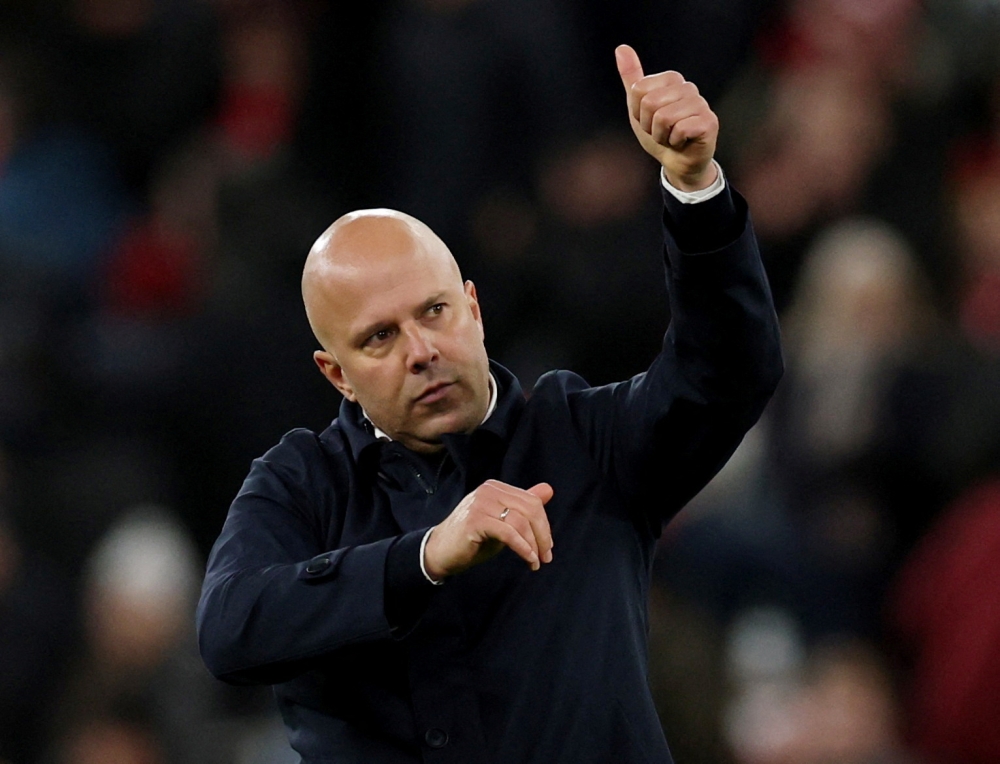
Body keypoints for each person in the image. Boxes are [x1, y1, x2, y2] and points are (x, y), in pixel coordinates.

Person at [196, 45, 783, 764]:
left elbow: (727, 373)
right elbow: (230, 630)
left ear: (472, 308)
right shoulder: (300, 484)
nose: (421, 349)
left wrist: (696, 189)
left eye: (434, 311)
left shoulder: (587, 439)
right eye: (379, 337)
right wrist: (421, 560)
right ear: (337, 374)